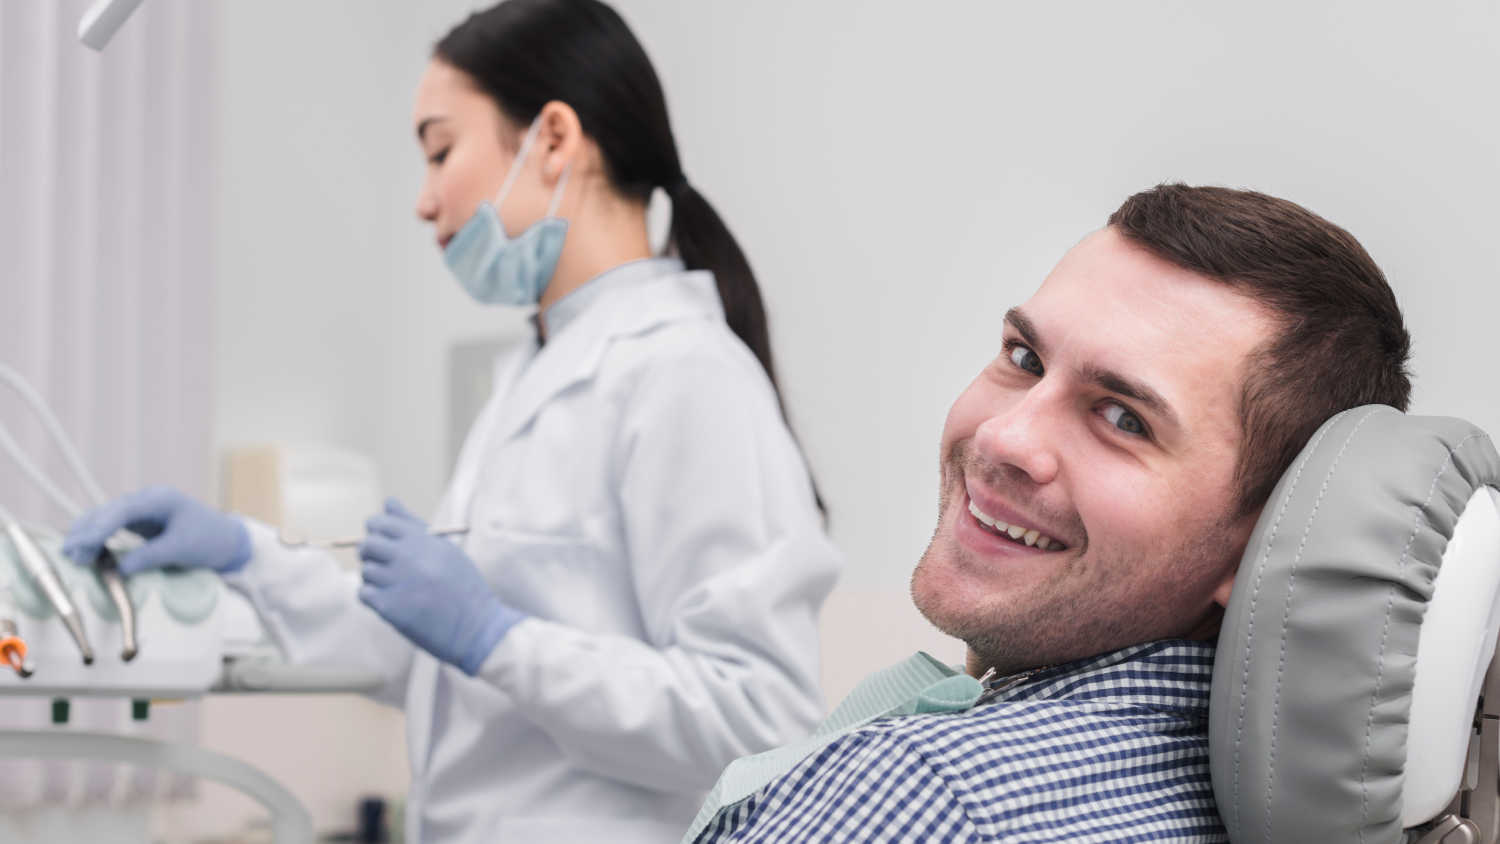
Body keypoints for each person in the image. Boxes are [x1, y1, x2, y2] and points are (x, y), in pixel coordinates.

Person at [63, 1, 840, 841]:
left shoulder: (684, 370)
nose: (425, 201)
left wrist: (496, 637)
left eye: (440, 151)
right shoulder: (530, 375)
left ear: (551, 139)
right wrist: (245, 553)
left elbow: (764, 724)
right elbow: (435, 662)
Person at [682, 183, 1412, 844]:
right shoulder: (1241, 803)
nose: (1004, 437)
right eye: (1025, 358)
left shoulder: (929, 800)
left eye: (1124, 419)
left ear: (1265, 542)